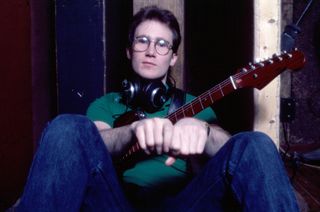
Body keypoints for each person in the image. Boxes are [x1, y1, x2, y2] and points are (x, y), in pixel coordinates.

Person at [17, 5, 299, 211]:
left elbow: (229, 151)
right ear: (129, 51)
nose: (151, 50)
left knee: (256, 142)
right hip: (115, 203)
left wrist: (203, 132)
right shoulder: (105, 105)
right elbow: (95, 143)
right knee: (67, 125)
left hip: (184, 205)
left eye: (163, 44)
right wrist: (134, 131)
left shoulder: (192, 105)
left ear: (173, 57)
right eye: (142, 41)